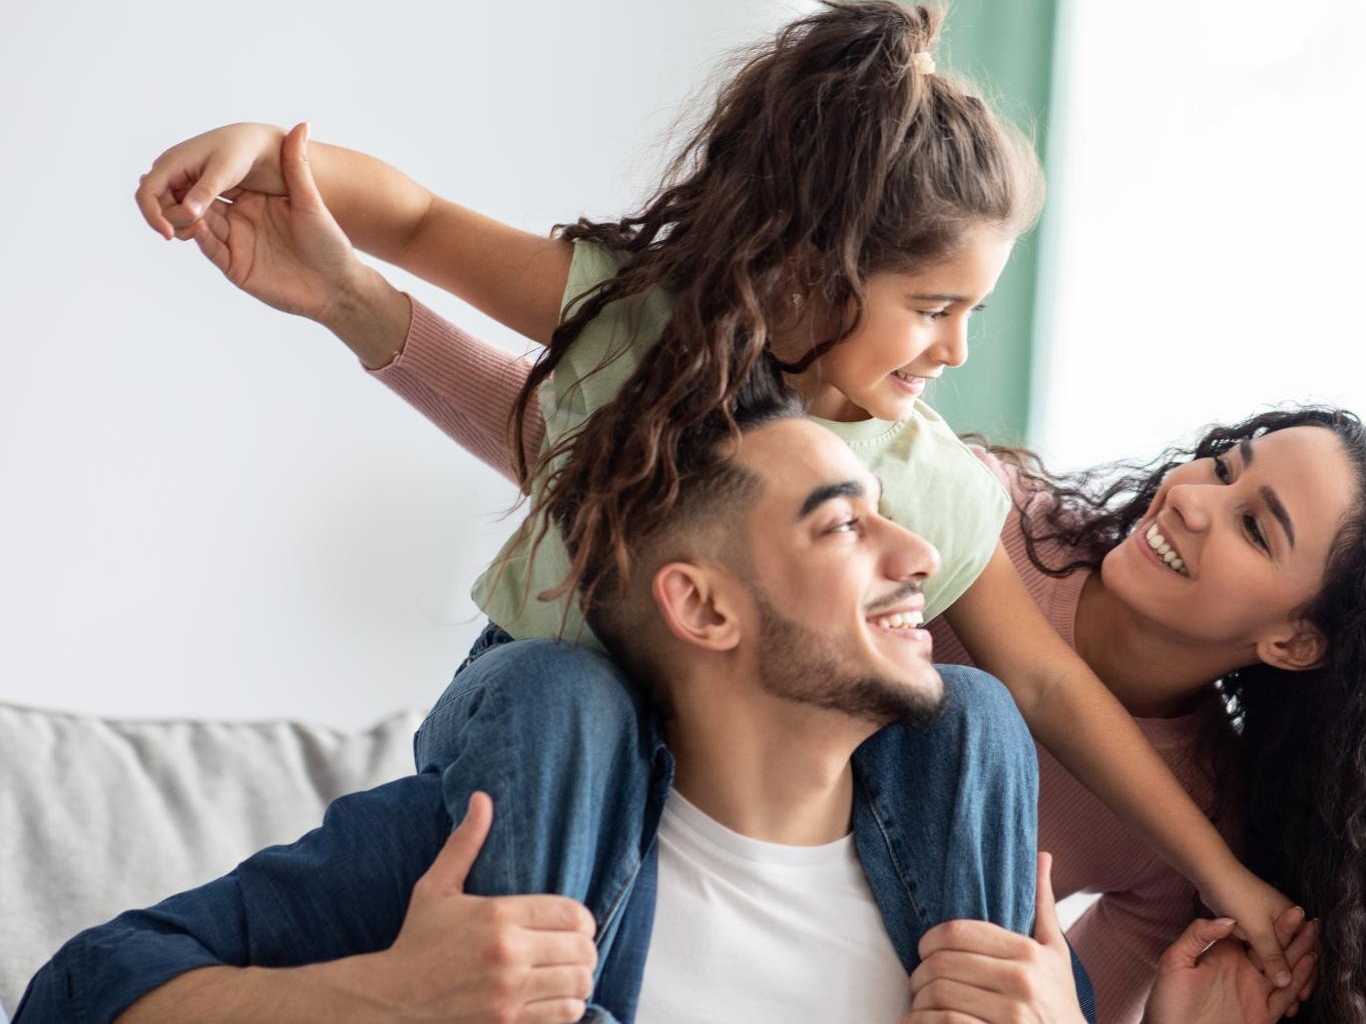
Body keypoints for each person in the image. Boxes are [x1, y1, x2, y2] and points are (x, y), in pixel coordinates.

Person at [133, 0, 1305, 982]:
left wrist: (1226, 876)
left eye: (975, 315)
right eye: (933, 309)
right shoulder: (648, 325)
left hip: (758, 771)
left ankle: (959, 1000)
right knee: (565, 692)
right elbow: (427, 221)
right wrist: (265, 153)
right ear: (812, 267)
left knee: (978, 711)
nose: (954, 351)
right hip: (547, 716)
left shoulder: (929, 480)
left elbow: (1044, 682)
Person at [283, 288, 1366, 1023]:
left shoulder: (1188, 822)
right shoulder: (971, 510)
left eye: (1254, 521)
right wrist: (361, 307)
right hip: (629, 822)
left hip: (800, 967)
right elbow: (644, 476)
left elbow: (1031, 993)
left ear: (1293, 636)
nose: (1194, 499)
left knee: (975, 721)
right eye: (1223, 462)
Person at [26, 378, 1283, 1023]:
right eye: (846, 527)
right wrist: (378, 1000)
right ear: (705, 607)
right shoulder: (489, 857)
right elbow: (81, 989)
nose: (919, 563)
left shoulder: (977, 908)